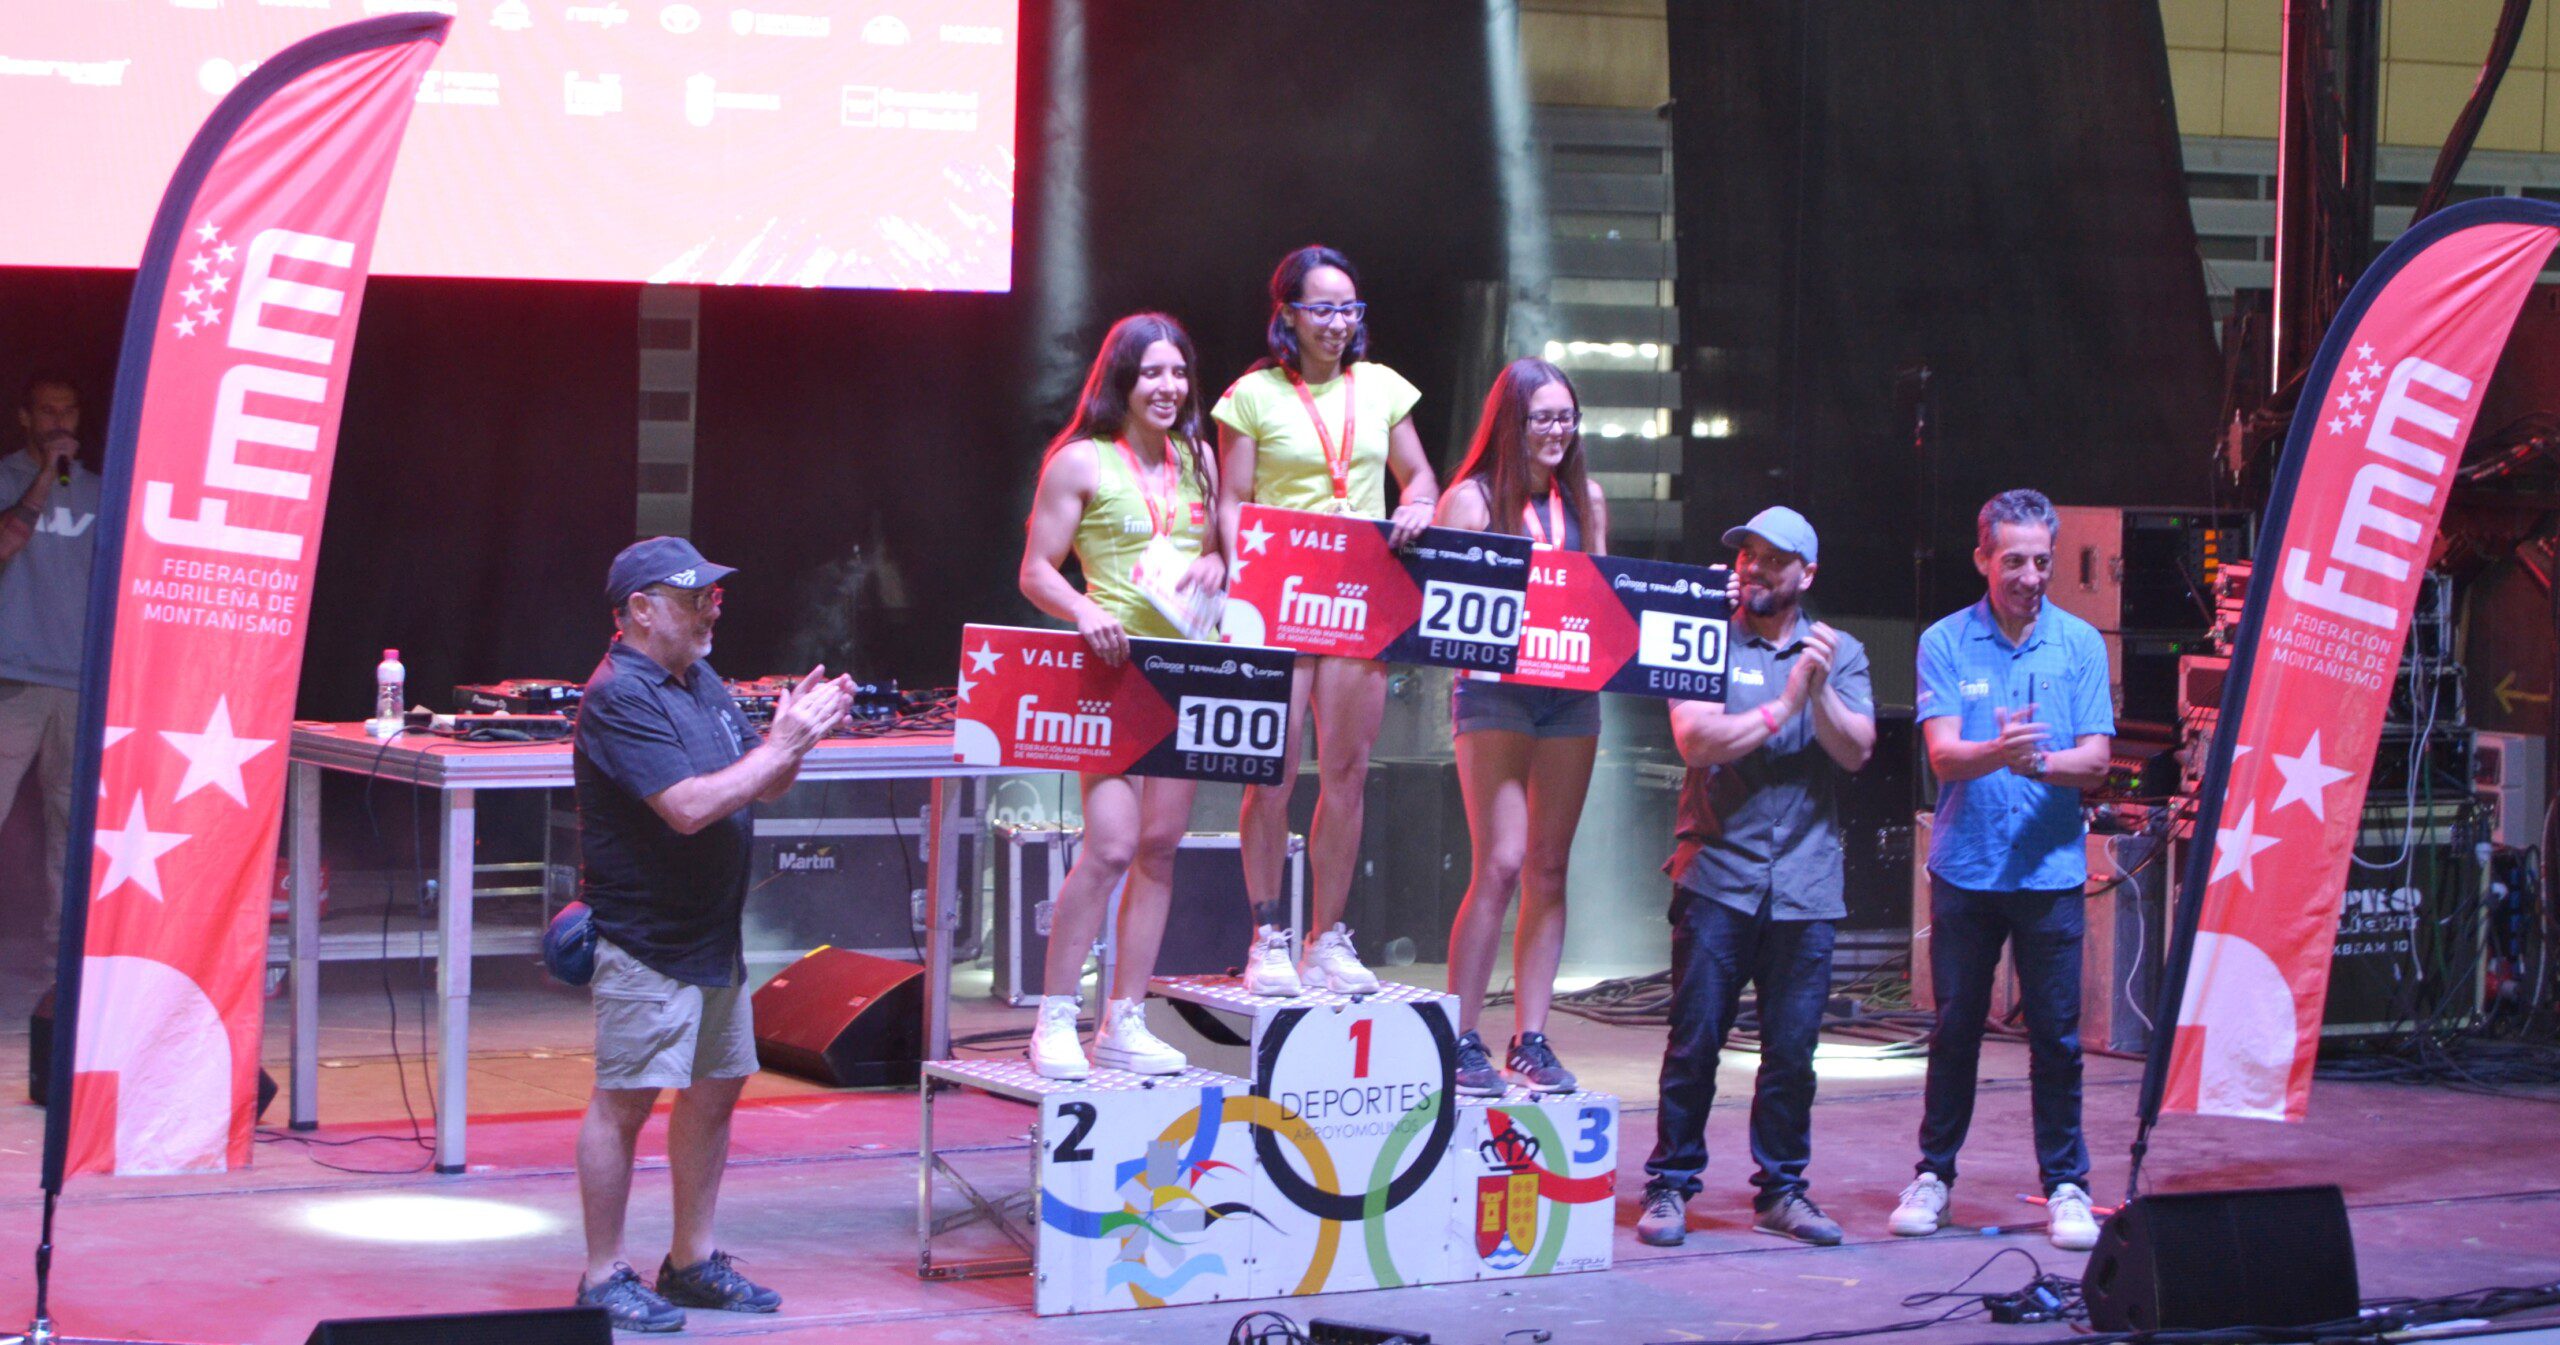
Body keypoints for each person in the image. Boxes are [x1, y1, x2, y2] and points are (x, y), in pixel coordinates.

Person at [570, 536, 851, 1333]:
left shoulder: (700, 682)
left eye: (713, 596)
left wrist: (797, 737)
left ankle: (690, 1260)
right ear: (639, 610)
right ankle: (602, 1275)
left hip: (711, 936)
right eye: (695, 597)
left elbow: (759, 780)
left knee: (716, 1089)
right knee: (623, 1103)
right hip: (647, 941)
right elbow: (690, 807)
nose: (712, 609)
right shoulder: (620, 696)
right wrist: (780, 744)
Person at [1635, 506, 1874, 1248]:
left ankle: (1782, 1191)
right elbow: (1695, 737)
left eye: (1775, 559)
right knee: (1695, 1041)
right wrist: (1784, 705)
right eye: (1748, 555)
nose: (1755, 569)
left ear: (1807, 573)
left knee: (1792, 1053)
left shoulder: (1840, 651)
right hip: (1717, 872)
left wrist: (1818, 688)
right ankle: (1670, 1184)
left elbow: (1857, 750)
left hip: (1805, 882)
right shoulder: (1701, 632)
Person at [1888, 488, 2113, 1253]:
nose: (2030, 576)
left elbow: (2096, 759)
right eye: (2014, 560)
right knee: (1955, 1029)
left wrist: (2038, 763)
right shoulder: (1946, 641)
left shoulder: (2080, 643)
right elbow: (1944, 755)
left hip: (2050, 874)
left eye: (2041, 561)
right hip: (1967, 870)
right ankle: (1933, 1174)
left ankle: (2068, 1185)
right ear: (1983, 557)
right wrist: (2000, 751)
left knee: (2057, 1037)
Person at [1214, 245, 1440, 995]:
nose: (1338, 323)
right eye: (1322, 308)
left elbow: (1419, 477)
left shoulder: (1381, 387)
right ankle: (1268, 936)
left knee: (1347, 772)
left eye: (1349, 308)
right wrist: (1240, 577)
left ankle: (1327, 937)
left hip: (1356, 600)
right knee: (1271, 772)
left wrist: (1418, 505)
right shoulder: (1251, 396)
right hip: (1278, 600)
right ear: (1288, 314)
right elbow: (1231, 500)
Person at [1017, 312, 1228, 1078]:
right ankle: (1054, 1017)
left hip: (1187, 673)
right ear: (1122, 380)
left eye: (1179, 372)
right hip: (1111, 674)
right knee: (1109, 846)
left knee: (1160, 847)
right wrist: (1083, 609)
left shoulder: (1201, 458)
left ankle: (1125, 1018)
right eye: (1152, 373)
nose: (1168, 386)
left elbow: (1222, 552)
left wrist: (1219, 563)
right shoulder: (1081, 460)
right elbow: (1035, 569)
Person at [1434, 358, 1608, 1095]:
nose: (1557, 431)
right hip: (1495, 693)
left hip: (1570, 696)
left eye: (1566, 417)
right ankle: (1458, 1036)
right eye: (1543, 418)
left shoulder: (1586, 499)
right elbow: (1443, 610)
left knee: (1548, 865)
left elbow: (1603, 597)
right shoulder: (1470, 500)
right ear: (1512, 422)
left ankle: (1531, 1039)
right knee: (1501, 862)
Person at [0, 372, 98, 944]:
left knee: (72, 822)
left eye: (69, 411)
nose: (59, 421)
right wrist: (44, 478)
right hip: (12, 677)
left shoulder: (103, 491)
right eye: (46, 411)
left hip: (80, 681)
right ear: (25, 419)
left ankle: (62, 954)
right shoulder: (6, 478)